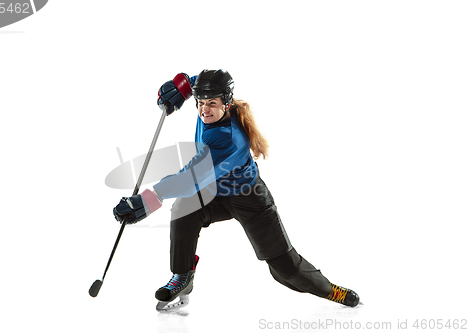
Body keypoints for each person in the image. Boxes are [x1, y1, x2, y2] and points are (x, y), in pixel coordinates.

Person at [113, 69, 360, 311]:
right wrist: (183, 86)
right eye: (200, 102)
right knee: (183, 209)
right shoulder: (209, 103)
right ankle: (182, 276)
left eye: (211, 103)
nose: (204, 109)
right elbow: (199, 81)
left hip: (248, 198)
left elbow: (191, 178)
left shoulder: (227, 137)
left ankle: (331, 290)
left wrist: (148, 200)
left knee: (284, 269)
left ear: (226, 103)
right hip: (215, 192)